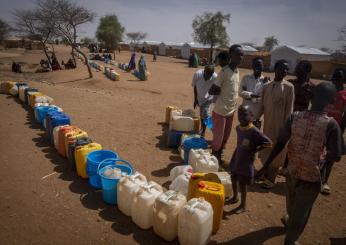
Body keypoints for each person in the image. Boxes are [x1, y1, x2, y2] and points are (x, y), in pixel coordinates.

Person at [256, 82, 343, 245]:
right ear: (331, 102)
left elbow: (280, 143)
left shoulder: (294, 117)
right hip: (312, 177)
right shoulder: (331, 125)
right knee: (302, 211)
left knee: (292, 203)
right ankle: (290, 240)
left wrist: (265, 166)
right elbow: (336, 155)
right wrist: (323, 157)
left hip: (292, 171)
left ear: (310, 97)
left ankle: (290, 226)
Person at [257, 60, 294, 188]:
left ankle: (271, 179)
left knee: (278, 153)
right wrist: (256, 118)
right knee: (267, 148)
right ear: (275, 69)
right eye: (282, 68)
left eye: (287, 69)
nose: (285, 71)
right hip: (267, 125)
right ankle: (264, 173)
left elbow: (289, 110)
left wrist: (286, 129)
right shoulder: (267, 86)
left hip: (281, 126)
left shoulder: (289, 88)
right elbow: (261, 105)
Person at [228, 105, 272, 213]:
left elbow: (268, 143)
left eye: (245, 115)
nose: (241, 117)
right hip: (237, 156)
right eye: (240, 114)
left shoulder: (254, 131)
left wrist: (254, 150)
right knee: (233, 177)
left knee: (242, 183)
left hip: (246, 160)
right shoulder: (238, 128)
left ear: (251, 116)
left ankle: (243, 205)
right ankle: (234, 197)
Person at [209, 45, 244, 162]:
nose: (241, 57)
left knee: (226, 137)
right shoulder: (224, 72)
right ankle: (213, 160)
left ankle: (219, 157)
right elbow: (213, 89)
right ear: (231, 55)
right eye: (238, 54)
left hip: (231, 110)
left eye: (242, 55)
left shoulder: (237, 71)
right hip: (220, 111)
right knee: (218, 140)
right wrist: (218, 90)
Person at [322, 68, 346, 194]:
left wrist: (339, 134)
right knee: (318, 155)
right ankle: (316, 178)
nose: (335, 79)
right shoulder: (328, 92)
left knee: (330, 157)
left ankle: (325, 181)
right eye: (334, 77)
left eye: (338, 77)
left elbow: (344, 119)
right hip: (321, 128)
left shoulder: (344, 95)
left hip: (334, 131)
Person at [238, 57, 270, 129]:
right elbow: (240, 92)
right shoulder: (246, 78)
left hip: (257, 115)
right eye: (255, 65)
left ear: (263, 66)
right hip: (245, 115)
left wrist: (247, 95)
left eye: (260, 65)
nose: (257, 67)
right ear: (252, 66)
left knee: (255, 137)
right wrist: (253, 95)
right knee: (244, 137)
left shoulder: (266, 82)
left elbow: (264, 97)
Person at [192, 65, 218, 137]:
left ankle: (211, 131)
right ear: (204, 71)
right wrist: (195, 99)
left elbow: (217, 88)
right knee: (202, 115)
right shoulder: (197, 74)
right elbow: (195, 86)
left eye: (210, 75)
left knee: (205, 114)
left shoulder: (215, 77)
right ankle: (202, 128)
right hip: (200, 98)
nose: (209, 77)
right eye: (207, 74)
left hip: (209, 98)